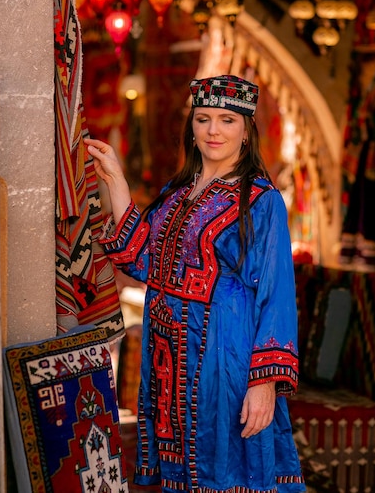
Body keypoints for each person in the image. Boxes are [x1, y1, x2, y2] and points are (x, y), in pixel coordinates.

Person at [85, 74, 305, 493]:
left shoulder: (261, 200)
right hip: (168, 361)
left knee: (225, 474)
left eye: (227, 120)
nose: (213, 130)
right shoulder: (176, 193)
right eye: (203, 119)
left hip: (224, 358)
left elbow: (276, 294)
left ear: (246, 130)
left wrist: (265, 383)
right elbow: (144, 261)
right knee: (181, 475)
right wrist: (115, 180)